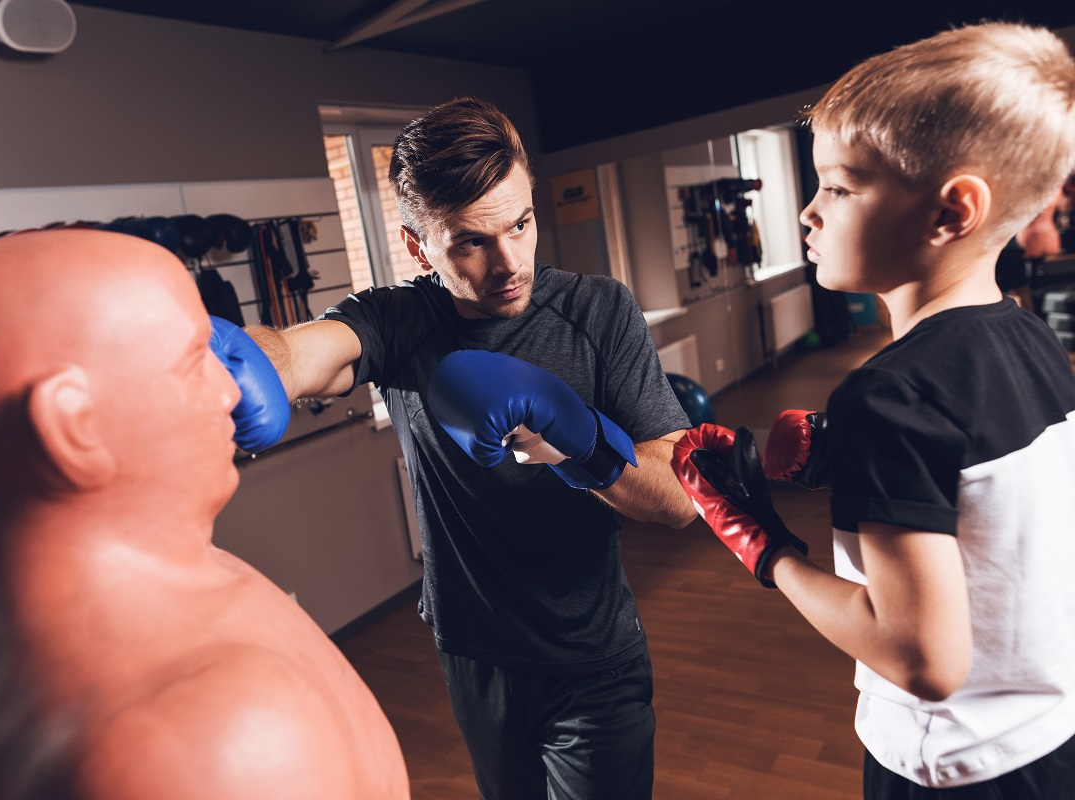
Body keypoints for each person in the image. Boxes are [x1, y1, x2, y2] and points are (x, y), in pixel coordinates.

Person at [242, 97, 696, 799]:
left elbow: (678, 504)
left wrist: (577, 437)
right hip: (475, 656)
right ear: (419, 246)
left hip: (592, 653)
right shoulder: (396, 323)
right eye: (471, 242)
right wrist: (240, 363)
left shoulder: (598, 311)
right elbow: (304, 355)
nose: (508, 261)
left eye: (520, 224)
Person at [672, 22, 1075, 799]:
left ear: (952, 211)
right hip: (1051, 741)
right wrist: (840, 462)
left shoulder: (885, 396)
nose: (807, 214)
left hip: (950, 769)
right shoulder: (1029, 340)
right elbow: (992, 507)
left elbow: (923, 659)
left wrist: (766, 549)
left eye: (841, 186)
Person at [0, 229, 410, 800]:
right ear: (75, 427)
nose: (232, 390)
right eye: (195, 361)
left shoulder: (165, 577)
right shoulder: (207, 739)